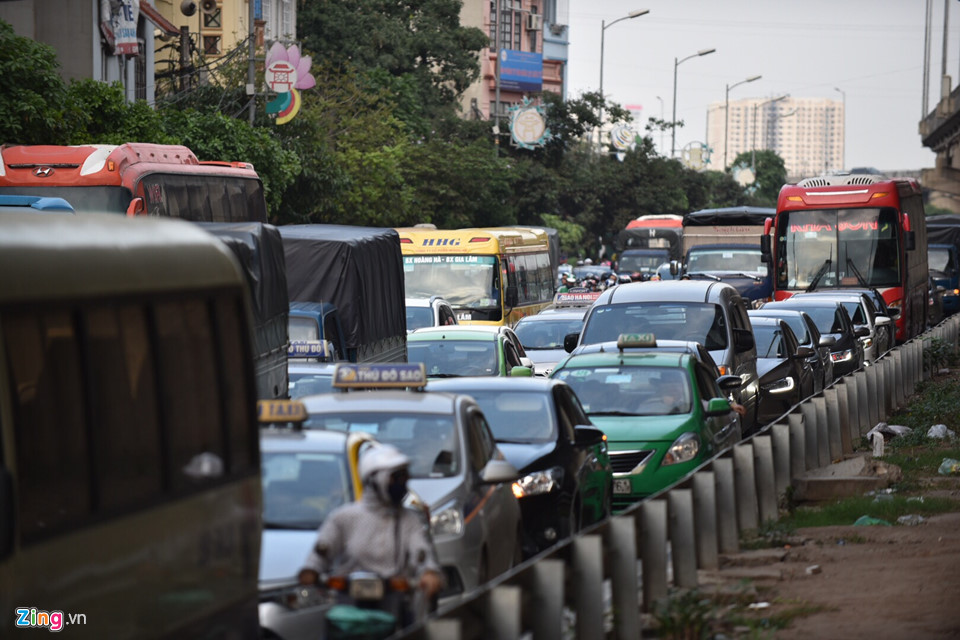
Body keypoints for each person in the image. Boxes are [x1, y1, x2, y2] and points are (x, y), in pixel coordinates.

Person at [298, 445, 444, 602]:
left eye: (404, 477)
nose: (402, 483)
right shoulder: (343, 518)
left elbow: (421, 552)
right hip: (348, 603)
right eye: (396, 478)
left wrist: (429, 572)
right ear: (374, 481)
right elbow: (321, 552)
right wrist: (311, 570)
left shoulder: (410, 521)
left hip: (396, 601)